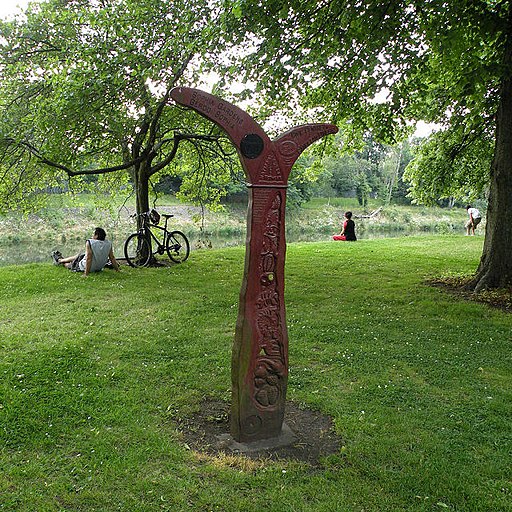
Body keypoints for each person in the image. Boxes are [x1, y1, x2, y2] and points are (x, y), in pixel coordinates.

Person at [52, 227, 120, 277]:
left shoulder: (90, 242)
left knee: (69, 265)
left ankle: (60, 260)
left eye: (93, 234)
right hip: (99, 267)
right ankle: (60, 260)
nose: (92, 236)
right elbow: (112, 258)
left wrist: (86, 273)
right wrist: (117, 270)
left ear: (96, 235)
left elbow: (89, 258)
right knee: (79, 256)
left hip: (88, 267)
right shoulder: (108, 243)